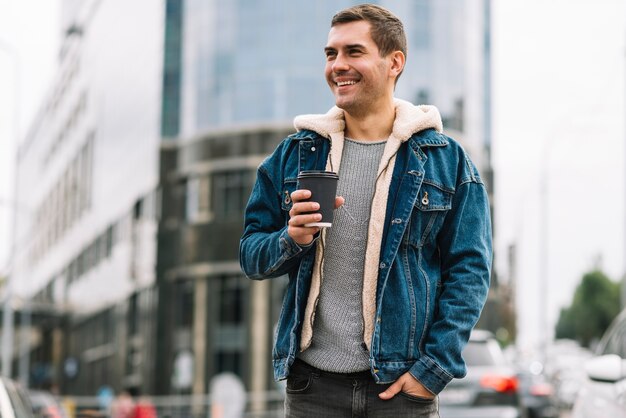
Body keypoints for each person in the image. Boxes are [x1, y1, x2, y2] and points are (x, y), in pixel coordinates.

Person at [239, 4, 492, 417]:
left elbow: (470, 272)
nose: (338, 65)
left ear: (395, 62)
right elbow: (251, 255)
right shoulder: (294, 155)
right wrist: (291, 238)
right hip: (311, 391)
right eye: (330, 54)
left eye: (353, 52)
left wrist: (433, 370)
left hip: (401, 392)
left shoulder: (447, 162)